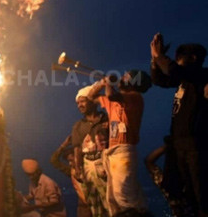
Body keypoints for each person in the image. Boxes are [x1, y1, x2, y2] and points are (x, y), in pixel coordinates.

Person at [150, 33, 208, 216]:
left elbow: (174, 71)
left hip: (195, 145)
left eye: (180, 59)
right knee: (186, 193)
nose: (177, 63)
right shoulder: (183, 80)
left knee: (202, 194)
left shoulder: (202, 76)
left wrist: (160, 58)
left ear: (193, 59)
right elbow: (161, 79)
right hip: (179, 144)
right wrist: (155, 61)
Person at [87, 69, 152, 216]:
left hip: (124, 151)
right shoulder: (115, 100)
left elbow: (111, 95)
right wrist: (102, 83)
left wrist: (109, 83)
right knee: (114, 199)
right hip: (115, 152)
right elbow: (91, 97)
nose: (121, 78)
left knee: (124, 197)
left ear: (133, 83)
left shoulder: (135, 97)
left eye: (125, 76)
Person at [71, 85, 109, 217]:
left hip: (105, 165)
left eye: (83, 101)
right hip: (89, 168)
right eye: (78, 103)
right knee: (95, 205)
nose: (80, 105)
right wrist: (78, 168)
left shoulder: (106, 120)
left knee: (111, 202)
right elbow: (77, 149)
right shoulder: (78, 126)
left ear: (92, 101)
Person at [145, 136, 195, 217]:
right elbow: (149, 161)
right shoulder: (194, 182)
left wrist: (167, 147)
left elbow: (149, 161)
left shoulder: (168, 186)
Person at [50, 135, 91, 217]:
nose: (70, 164)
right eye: (69, 161)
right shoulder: (72, 172)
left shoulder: (89, 169)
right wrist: (64, 145)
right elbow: (54, 160)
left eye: (72, 160)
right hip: (83, 207)